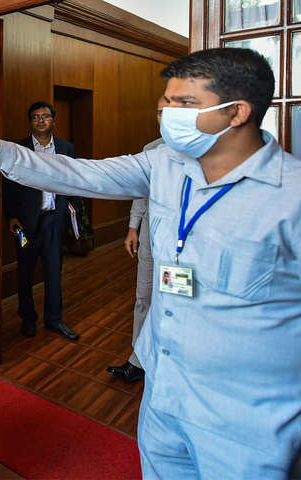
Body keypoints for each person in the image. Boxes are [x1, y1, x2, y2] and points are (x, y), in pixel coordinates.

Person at [0, 47, 301, 478]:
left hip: (252, 428)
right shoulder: (162, 163)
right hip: (163, 395)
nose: (168, 114)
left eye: (184, 104)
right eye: (166, 103)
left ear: (237, 112)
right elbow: (78, 174)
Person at [2, 101, 80, 341]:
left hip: (53, 221)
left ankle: (54, 320)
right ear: (30, 121)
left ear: (53, 121)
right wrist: (11, 216)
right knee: (25, 271)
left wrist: (72, 211)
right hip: (26, 225)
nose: (41, 120)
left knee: (54, 271)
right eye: (35, 117)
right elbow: (9, 182)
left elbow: (75, 180)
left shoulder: (66, 148)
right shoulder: (19, 148)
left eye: (45, 116)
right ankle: (27, 318)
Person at [107, 137, 163, 384]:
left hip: (184, 240)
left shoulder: (201, 148)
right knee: (144, 297)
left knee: (176, 302)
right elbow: (141, 192)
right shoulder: (151, 149)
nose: (164, 117)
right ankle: (137, 360)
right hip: (151, 232)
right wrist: (133, 227)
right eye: (160, 112)